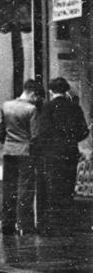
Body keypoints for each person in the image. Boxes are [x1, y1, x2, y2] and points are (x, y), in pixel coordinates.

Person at [35, 77, 89, 233]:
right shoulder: (75, 108)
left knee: (52, 188)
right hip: (70, 153)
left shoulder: (47, 108)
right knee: (67, 188)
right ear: (66, 90)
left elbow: (43, 132)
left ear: (51, 91)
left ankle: (53, 225)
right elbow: (83, 131)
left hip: (51, 154)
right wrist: (71, 140)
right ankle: (67, 224)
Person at [0, 79, 44, 235]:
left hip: (9, 152)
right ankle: (25, 225)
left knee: (9, 188)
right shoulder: (31, 110)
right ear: (31, 93)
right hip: (25, 153)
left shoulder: (6, 106)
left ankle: (7, 225)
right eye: (37, 97)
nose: (36, 101)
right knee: (25, 189)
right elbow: (35, 136)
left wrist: (8, 143)